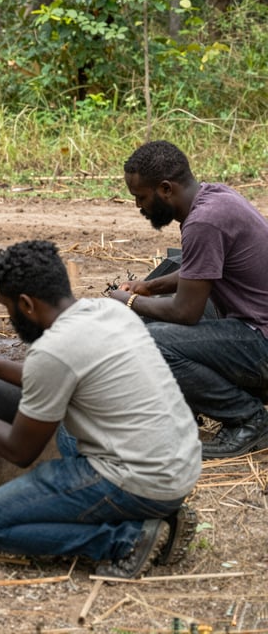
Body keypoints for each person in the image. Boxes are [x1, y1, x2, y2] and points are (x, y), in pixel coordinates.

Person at [0, 239, 201, 579]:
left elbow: (19, 449)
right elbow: (64, 375)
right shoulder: (108, 311)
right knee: (66, 434)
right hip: (180, 469)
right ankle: (160, 518)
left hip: (142, 482)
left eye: (8, 309)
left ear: (26, 304)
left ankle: (124, 540)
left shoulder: (51, 351)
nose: (9, 319)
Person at [109, 140, 268, 459]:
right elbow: (200, 272)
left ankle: (247, 419)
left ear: (165, 189)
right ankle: (191, 403)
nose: (139, 207)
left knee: (149, 342)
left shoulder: (202, 222)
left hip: (260, 339)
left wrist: (127, 303)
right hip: (254, 328)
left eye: (141, 197)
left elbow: (186, 311)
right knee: (157, 318)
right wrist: (149, 288)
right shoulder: (216, 197)